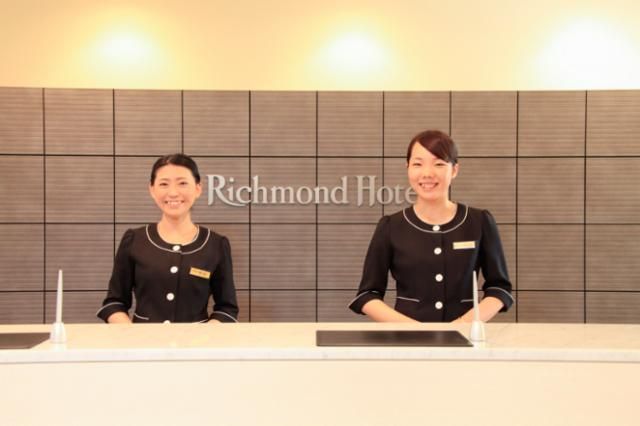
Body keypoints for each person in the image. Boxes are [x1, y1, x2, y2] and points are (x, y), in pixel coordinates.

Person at [349, 130, 513, 322]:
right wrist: (412, 329)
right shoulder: (391, 226)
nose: (427, 173)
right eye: (418, 164)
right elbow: (368, 294)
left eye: (439, 164)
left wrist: (462, 325)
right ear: (408, 168)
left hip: (465, 336)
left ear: (454, 170)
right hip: (407, 337)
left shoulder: (478, 221)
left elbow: (499, 288)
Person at [97, 154, 239, 323]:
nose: (173, 193)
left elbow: (226, 309)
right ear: (152, 189)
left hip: (198, 339)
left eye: (182, 183)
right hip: (143, 339)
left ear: (198, 188)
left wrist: (203, 336)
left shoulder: (216, 244)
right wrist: (131, 334)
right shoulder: (134, 240)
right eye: (164, 184)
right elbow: (114, 303)